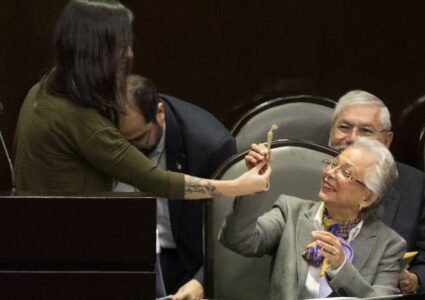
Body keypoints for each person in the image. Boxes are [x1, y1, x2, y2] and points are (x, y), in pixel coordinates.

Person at [13, 0, 270, 199]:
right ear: (98, 54)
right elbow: (155, 180)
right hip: (68, 249)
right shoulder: (79, 119)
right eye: (122, 45)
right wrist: (235, 186)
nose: (129, 52)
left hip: (38, 237)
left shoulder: (42, 89)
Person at [246, 90, 425, 294]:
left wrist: (414, 280)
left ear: (387, 140)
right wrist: (249, 187)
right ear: (332, 131)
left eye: (365, 131)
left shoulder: (412, 185)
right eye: (344, 127)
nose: (352, 138)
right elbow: (244, 239)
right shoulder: (304, 178)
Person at [220, 137, 407, 299]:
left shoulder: (389, 245)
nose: (330, 173)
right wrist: (253, 186)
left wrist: (342, 267)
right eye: (334, 163)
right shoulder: (291, 212)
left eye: (346, 173)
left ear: (367, 198)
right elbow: (238, 240)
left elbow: (382, 298)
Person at [114, 74, 236, 299]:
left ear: (159, 114)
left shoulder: (210, 148)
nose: (130, 151)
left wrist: (203, 281)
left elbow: (231, 231)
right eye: (122, 142)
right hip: (121, 256)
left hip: (184, 264)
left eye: (139, 139)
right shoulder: (102, 131)